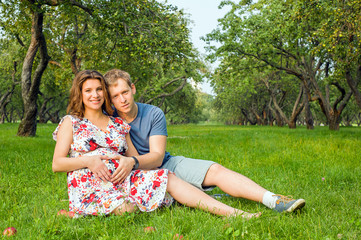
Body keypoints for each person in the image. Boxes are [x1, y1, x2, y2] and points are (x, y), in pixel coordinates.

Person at [52, 69, 261, 219]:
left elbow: (134, 158)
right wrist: (89, 161)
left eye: (99, 89)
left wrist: (129, 163)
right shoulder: (72, 122)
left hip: (123, 179)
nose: (95, 95)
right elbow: (57, 164)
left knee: (164, 177)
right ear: (79, 94)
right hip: (90, 185)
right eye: (88, 90)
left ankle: (235, 214)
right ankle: (171, 198)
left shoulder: (117, 123)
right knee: (127, 211)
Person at [104, 69, 306, 213]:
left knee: (215, 170)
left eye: (125, 92)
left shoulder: (153, 113)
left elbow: (157, 158)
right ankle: (197, 198)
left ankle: (274, 200)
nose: (122, 99)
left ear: (133, 89)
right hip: (131, 175)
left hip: (163, 162)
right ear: (109, 99)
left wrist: (134, 161)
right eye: (115, 96)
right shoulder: (105, 118)